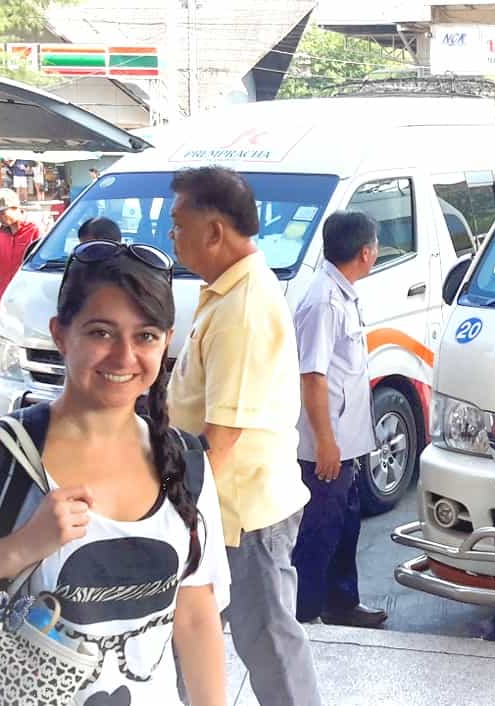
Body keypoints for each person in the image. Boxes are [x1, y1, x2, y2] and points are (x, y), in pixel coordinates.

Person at [0, 239, 231, 706]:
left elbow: (193, 614)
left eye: (145, 335)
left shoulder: (184, 462)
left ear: (167, 341)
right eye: (101, 332)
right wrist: (20, 549)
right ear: (61, 335)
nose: (124, 356)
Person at [166, 166, 320, 706]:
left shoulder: (244, 308)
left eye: (178, 223)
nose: (170, 235)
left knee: (271, 646)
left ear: (215, 231)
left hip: (241, 512)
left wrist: (178, 513)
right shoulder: (226, 294)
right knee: (195, 640)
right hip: (223, 505)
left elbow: (221, 439)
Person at [292, 211, 387, 628]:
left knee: (344, 525)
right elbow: (311, 376)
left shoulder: (341, 292)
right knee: (318, 532)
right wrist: (325, 442)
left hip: (345, 441)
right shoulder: (324, 301)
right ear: (365, 252)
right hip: (323, 446)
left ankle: (341, 603)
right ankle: (304, 613)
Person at [0, 188, 41, 311]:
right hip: (5, 299)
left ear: (16, 208)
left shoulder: (35, 230)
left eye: (2, 214)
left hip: (27, 301)